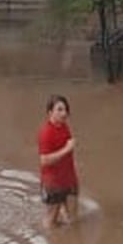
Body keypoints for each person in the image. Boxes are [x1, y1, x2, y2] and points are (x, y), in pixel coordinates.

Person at [37, 94, 79, 227]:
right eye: (59, 110)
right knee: (51, 221)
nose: (64, 113)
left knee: (72, 215)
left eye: (65, 109)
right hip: (53, 182)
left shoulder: (64, 126)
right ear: (50, 112)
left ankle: (69, 242)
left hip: (68, 177)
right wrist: (66, 149)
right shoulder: (45, 133)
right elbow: (44, 160)